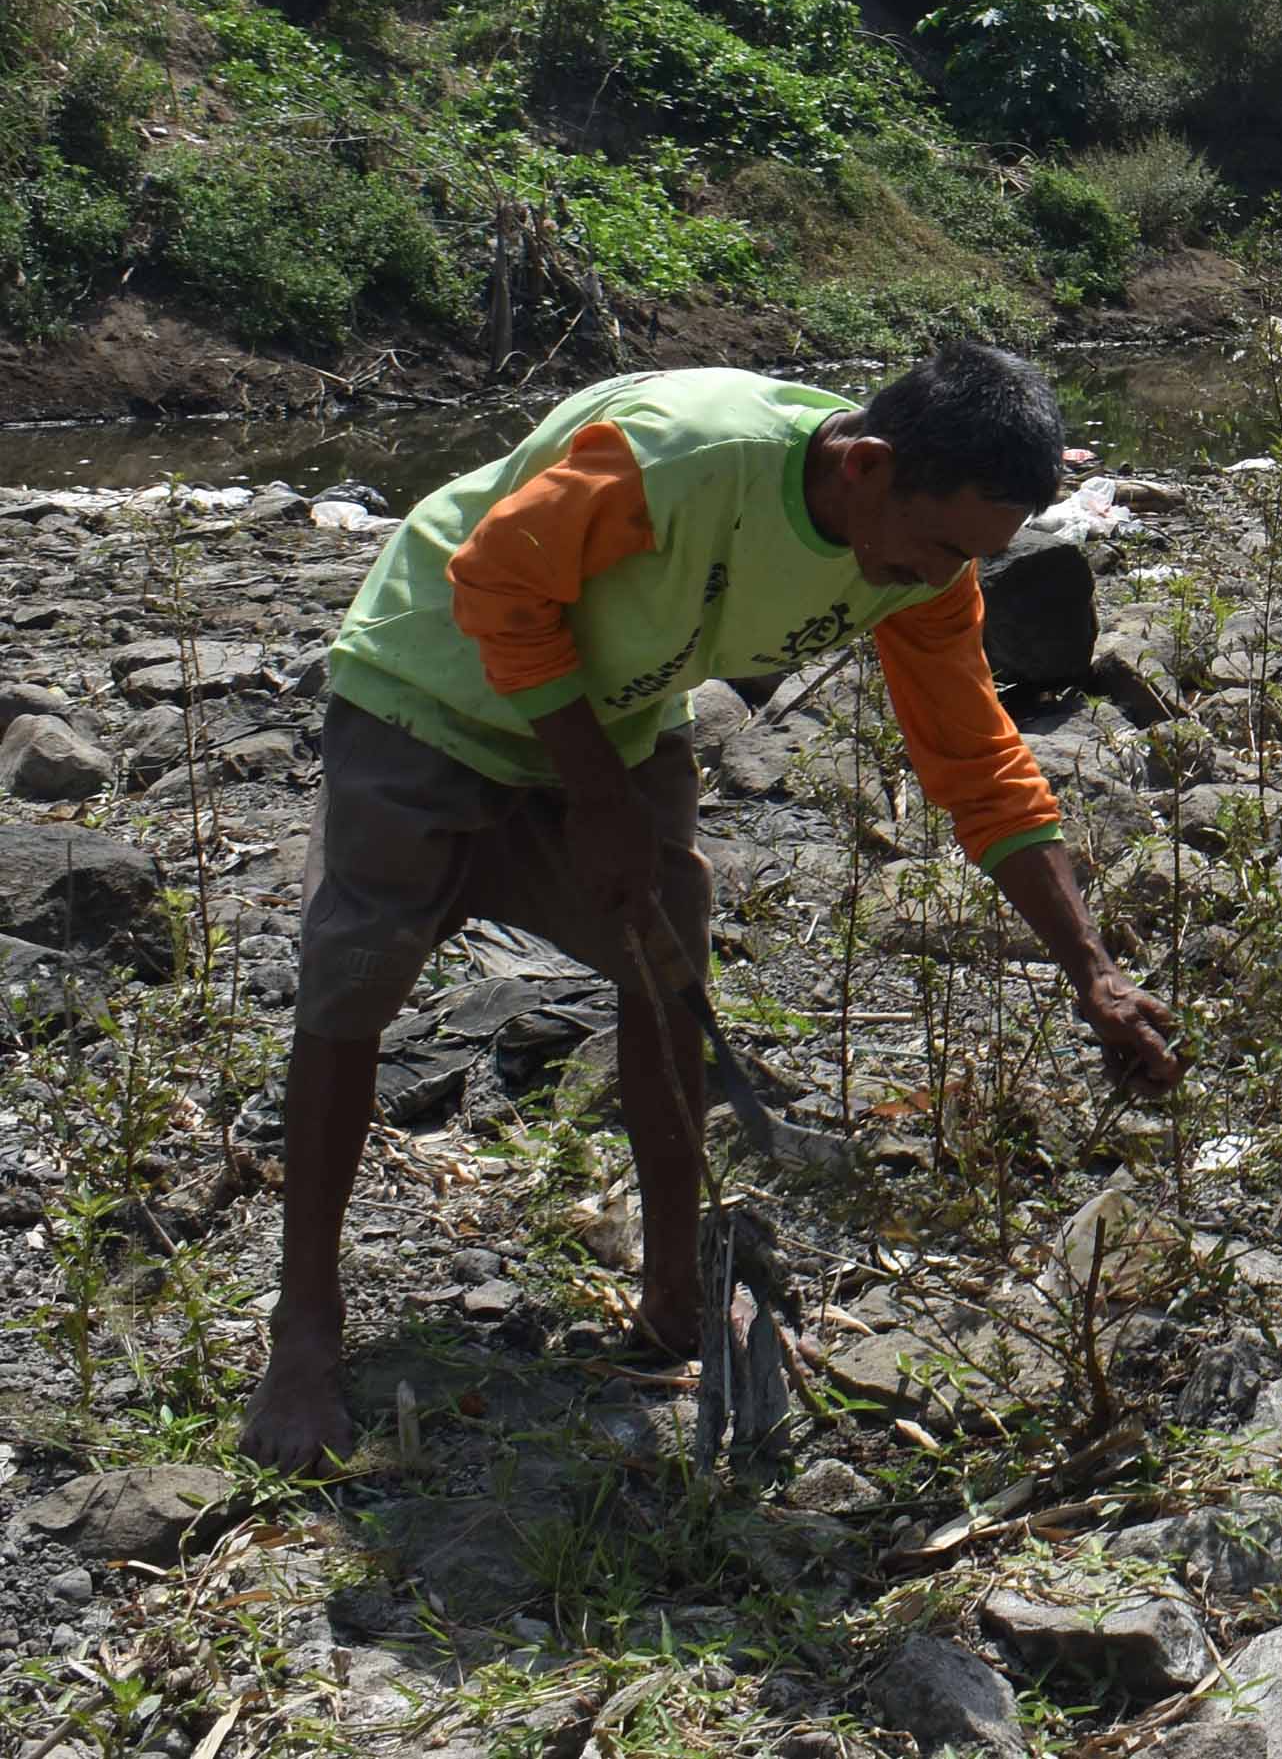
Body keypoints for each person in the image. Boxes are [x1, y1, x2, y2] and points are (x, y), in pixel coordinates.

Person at [240, 346, 1183, 1472]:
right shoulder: (677, 456)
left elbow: (977, 761)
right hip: (429, 688)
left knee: (665, 962)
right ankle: (305, 1326)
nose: (945, 577)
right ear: (868, 466)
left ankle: (673, 1290)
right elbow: (496, 580)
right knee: (356, 979)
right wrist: (596, 802)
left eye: (971, 558)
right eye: (942, 546)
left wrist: (1090, 969)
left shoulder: (925, 567)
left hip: (612, 709)